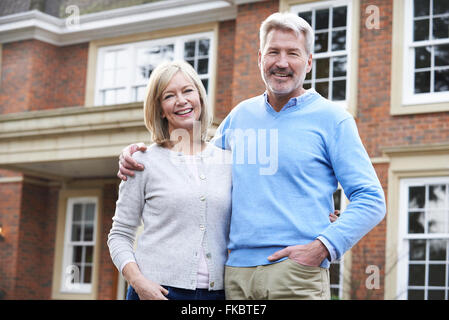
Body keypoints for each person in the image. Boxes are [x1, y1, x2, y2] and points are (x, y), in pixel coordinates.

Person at [117, 12, 386, 300]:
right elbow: (197, 166)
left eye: (292, 53)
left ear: (308, 61)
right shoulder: (238, 118)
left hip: (295, 272)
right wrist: (138, 152)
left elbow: (371, 200)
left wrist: (322, 245)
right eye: (273, 52)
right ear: (260, 58)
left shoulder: (334, 120)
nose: (281, 62)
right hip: (233, 278)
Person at [107, 60, 232, 300]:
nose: (181, 100)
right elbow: (119, 234)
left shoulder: (228, 161)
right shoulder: (143, 161)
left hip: (217, 294)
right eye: (169, 96)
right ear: (160, 109)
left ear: (200, 98)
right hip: (156, 292)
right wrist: (139, 282)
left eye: (187, 91)